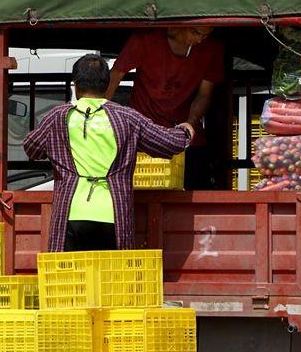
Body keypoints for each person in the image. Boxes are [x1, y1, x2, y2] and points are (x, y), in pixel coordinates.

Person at [24, 54, 193, 252]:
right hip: (113, 214)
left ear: (76, 85)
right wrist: (186, 130)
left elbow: (32, 148)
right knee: (111, 271)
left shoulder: (57, 116)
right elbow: (169, 143)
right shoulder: (126, 117)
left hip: (71, 213)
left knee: (72, 271)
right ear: (106, 85)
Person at [105, 27, 223, 188]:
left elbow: (204, 94)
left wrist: (191, 122)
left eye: (205, 35)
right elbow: (115, 75)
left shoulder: (211, 48)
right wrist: (100, 112)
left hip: (184, 135)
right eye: (196, 33)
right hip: (143, 132)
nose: (200, 39)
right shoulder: (146, 39)